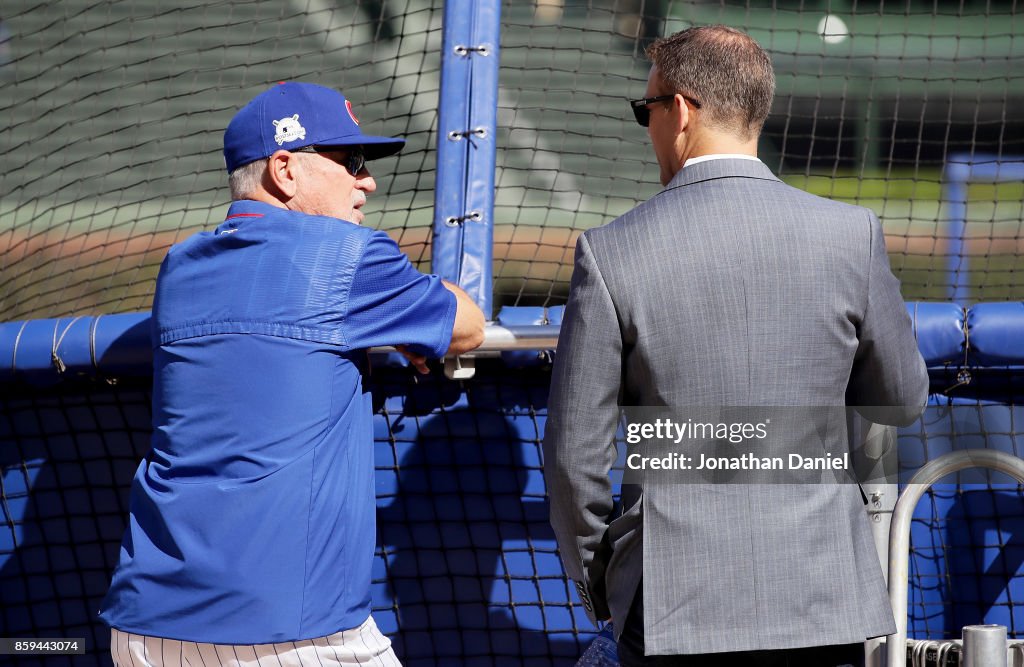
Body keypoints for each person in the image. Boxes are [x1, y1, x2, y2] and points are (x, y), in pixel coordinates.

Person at [543, 26, 928, 667]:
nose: (647, 128)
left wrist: (602, 580)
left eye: (647, 110)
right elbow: (904, 398)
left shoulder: (611, 252)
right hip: (821, 594)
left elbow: (573, 457)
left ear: (683, 110)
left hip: (669, 603)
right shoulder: (851, 235)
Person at [100, 82, 485, 666]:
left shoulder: (178, 267)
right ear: (285, 169)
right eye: (350, 161)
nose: (367, 181)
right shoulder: (349, 255)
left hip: (145, 627)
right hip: (290, 636)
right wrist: (399, 316)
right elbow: (469, 326)